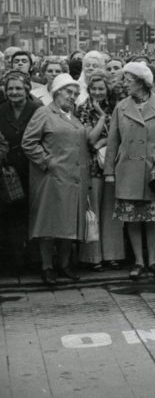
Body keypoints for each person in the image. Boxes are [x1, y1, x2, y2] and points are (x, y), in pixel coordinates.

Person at [21, 74, 90, 285]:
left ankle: (64, 264)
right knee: (49, 224)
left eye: (76, 94)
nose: (73, 97)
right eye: (69, 92)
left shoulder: (72, 116)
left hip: (74, 179)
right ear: (56, 92)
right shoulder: (44, 112)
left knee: (69, 224)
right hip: (51, 179)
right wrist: (47, 161)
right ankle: (47, 266)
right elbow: (28, 142)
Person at [104, 63, 155, 280]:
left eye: (129, 80)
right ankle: (138, 261)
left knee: (152, 219)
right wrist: (109, 172)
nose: (125, 83)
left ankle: (152, 261)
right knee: (132, 219)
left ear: (142, 82)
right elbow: (112, 142)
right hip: (127, 172)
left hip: (152, 172)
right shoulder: (120, 108)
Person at [75, 70, 122, 270]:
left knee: (111, 211)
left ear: (107, 89)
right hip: (92, 166)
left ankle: (113, 254)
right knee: (92, 210)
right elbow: (89, 140)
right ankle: (92, 257)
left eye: (101, 88)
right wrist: (102, 117)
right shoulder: (84, 108)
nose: (97, 92)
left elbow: (119, 136)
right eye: (93, 88)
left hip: (112, 165)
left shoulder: (117, 107)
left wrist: (104, 139)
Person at [0, 71, 42, 272]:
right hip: (8, 171)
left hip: (33, 167)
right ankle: (16, 261)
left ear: (26, 89)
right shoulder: (1, 111)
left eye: (18, 88)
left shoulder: (37, 109)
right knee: (12, 215)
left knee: (33, 213)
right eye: (10, 89)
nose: (14, 92)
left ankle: (35, 259)